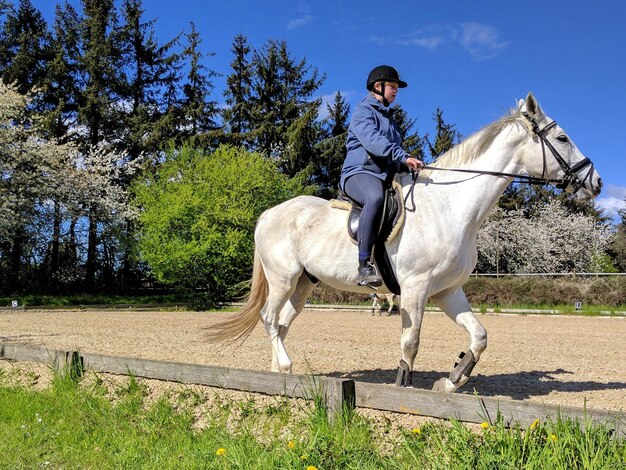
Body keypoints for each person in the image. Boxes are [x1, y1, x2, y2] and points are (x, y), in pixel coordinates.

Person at [339, 65, 423, 287]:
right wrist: (402, 156)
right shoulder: (363, 112)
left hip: (383, 176)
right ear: (378, 86)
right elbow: (374, 142)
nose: (396, 91)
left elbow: (392, 157)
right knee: (374, 198)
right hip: (359, 173)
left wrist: (408, 167)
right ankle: (364, 265)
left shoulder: (391, 122)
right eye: (393, 87)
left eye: (396, 88)